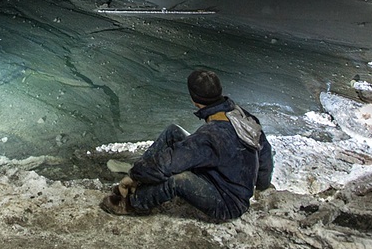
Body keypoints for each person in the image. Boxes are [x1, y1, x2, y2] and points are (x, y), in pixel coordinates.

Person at [101, 69, 273, 220]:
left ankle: (132, 203)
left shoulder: (211, 136)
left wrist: (133, 175)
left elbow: (166, 165)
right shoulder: (241, 115)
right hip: (224, 178)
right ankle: (142, 176)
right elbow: (264, 151)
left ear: (194, 101)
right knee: (173, 131)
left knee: (177, 179)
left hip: (228, 203)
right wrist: (262, 185)